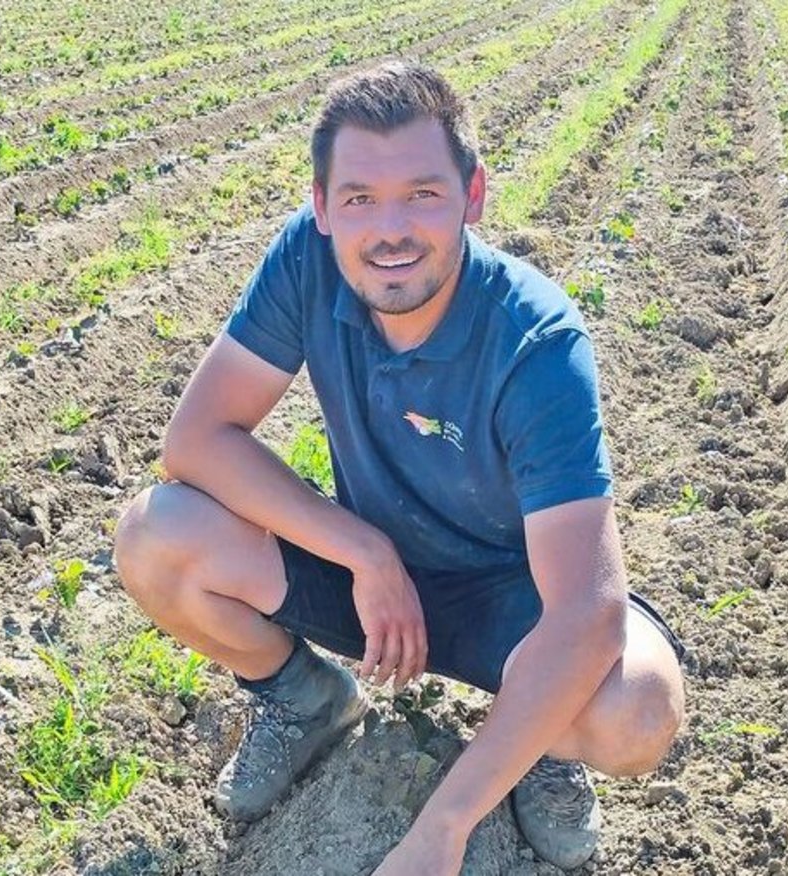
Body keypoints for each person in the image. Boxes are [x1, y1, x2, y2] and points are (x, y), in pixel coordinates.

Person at [112, 60, 686, 874]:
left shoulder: (536, 342)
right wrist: (365, 552)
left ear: (472, 197)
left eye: (422, 193)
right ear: (321, 206)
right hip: (372, 585)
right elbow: (198, 438)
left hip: (510, 602)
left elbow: (588, 611)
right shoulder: (306, 262)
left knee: (638, 710)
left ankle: (538, 754)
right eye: (358, 199)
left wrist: (442, 827)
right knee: (156, 535)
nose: (390, 230)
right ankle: (302, 700)